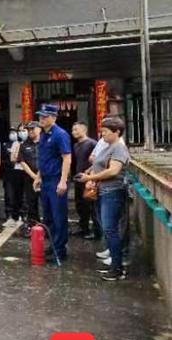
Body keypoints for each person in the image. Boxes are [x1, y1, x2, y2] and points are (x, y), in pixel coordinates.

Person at [77, 116, 130, 281]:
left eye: (106, 132)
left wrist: (89, 179)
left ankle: (117, 268)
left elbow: (113, 171)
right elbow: (98, 165)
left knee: (110, 229)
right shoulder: (109, 146)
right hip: (103, 191)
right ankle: (115, 264)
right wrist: (90, 176)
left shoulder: (119, 148)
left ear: (117, 132)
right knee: (108, 228)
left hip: (113, 192)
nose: (103, 135)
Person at [33, 104, 72, 263]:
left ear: (54, 117)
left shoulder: (60, 134)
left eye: (45, 116)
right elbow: (44, 159)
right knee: (48, 216)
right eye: (40, 116)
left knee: (59, 216)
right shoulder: (43, 134)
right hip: (46, 180)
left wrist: (63, 181)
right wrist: (38, 177)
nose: (41, 119)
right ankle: (53, 245)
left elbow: (67, 158)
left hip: (56, 180)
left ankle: (60, 249)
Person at [71, 122, 99, 239]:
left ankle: (96, 231)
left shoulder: (92, 143)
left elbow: (98, 161)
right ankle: (83, 227)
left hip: (89, 179)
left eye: (76, 130)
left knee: (91, 205)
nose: (74, 132)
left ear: (84, 130)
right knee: (80, 204)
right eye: (73, 130)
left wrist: (89, 172)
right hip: (79, 178)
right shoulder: (76, 145)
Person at [17, 122, 41, 230]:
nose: (30, 131)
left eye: (33, 129)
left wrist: (40, 176)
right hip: (29, 178)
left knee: (47, 203)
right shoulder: (24, 145)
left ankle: (50, 226)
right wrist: (34, 176)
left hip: (45, 178)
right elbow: (22, 162)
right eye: (29, 129)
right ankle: (34, 225)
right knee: (31, 202)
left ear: (39, 129)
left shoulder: (45, 143)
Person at [2, 126, 22, 224]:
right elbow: (2, 159)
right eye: (11, 132)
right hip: (8, 173)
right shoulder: (5, 145)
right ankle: (9, 215)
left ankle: (19, 215)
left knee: (20, 195)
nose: (13, 134)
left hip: (19, 174)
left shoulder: (20, 144)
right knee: (9, 195)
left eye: (15, 132)